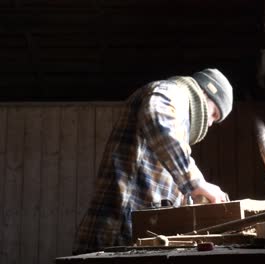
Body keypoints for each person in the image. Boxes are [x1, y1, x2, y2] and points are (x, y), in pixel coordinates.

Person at [73, 68, 233, 254]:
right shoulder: (170, 92)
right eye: (214, 114)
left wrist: (194, 195)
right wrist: (197, 183)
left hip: (134, 234)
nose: (210, 124)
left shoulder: (178, 135)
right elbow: (157, 116)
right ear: (204, 93)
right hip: (117, 231)